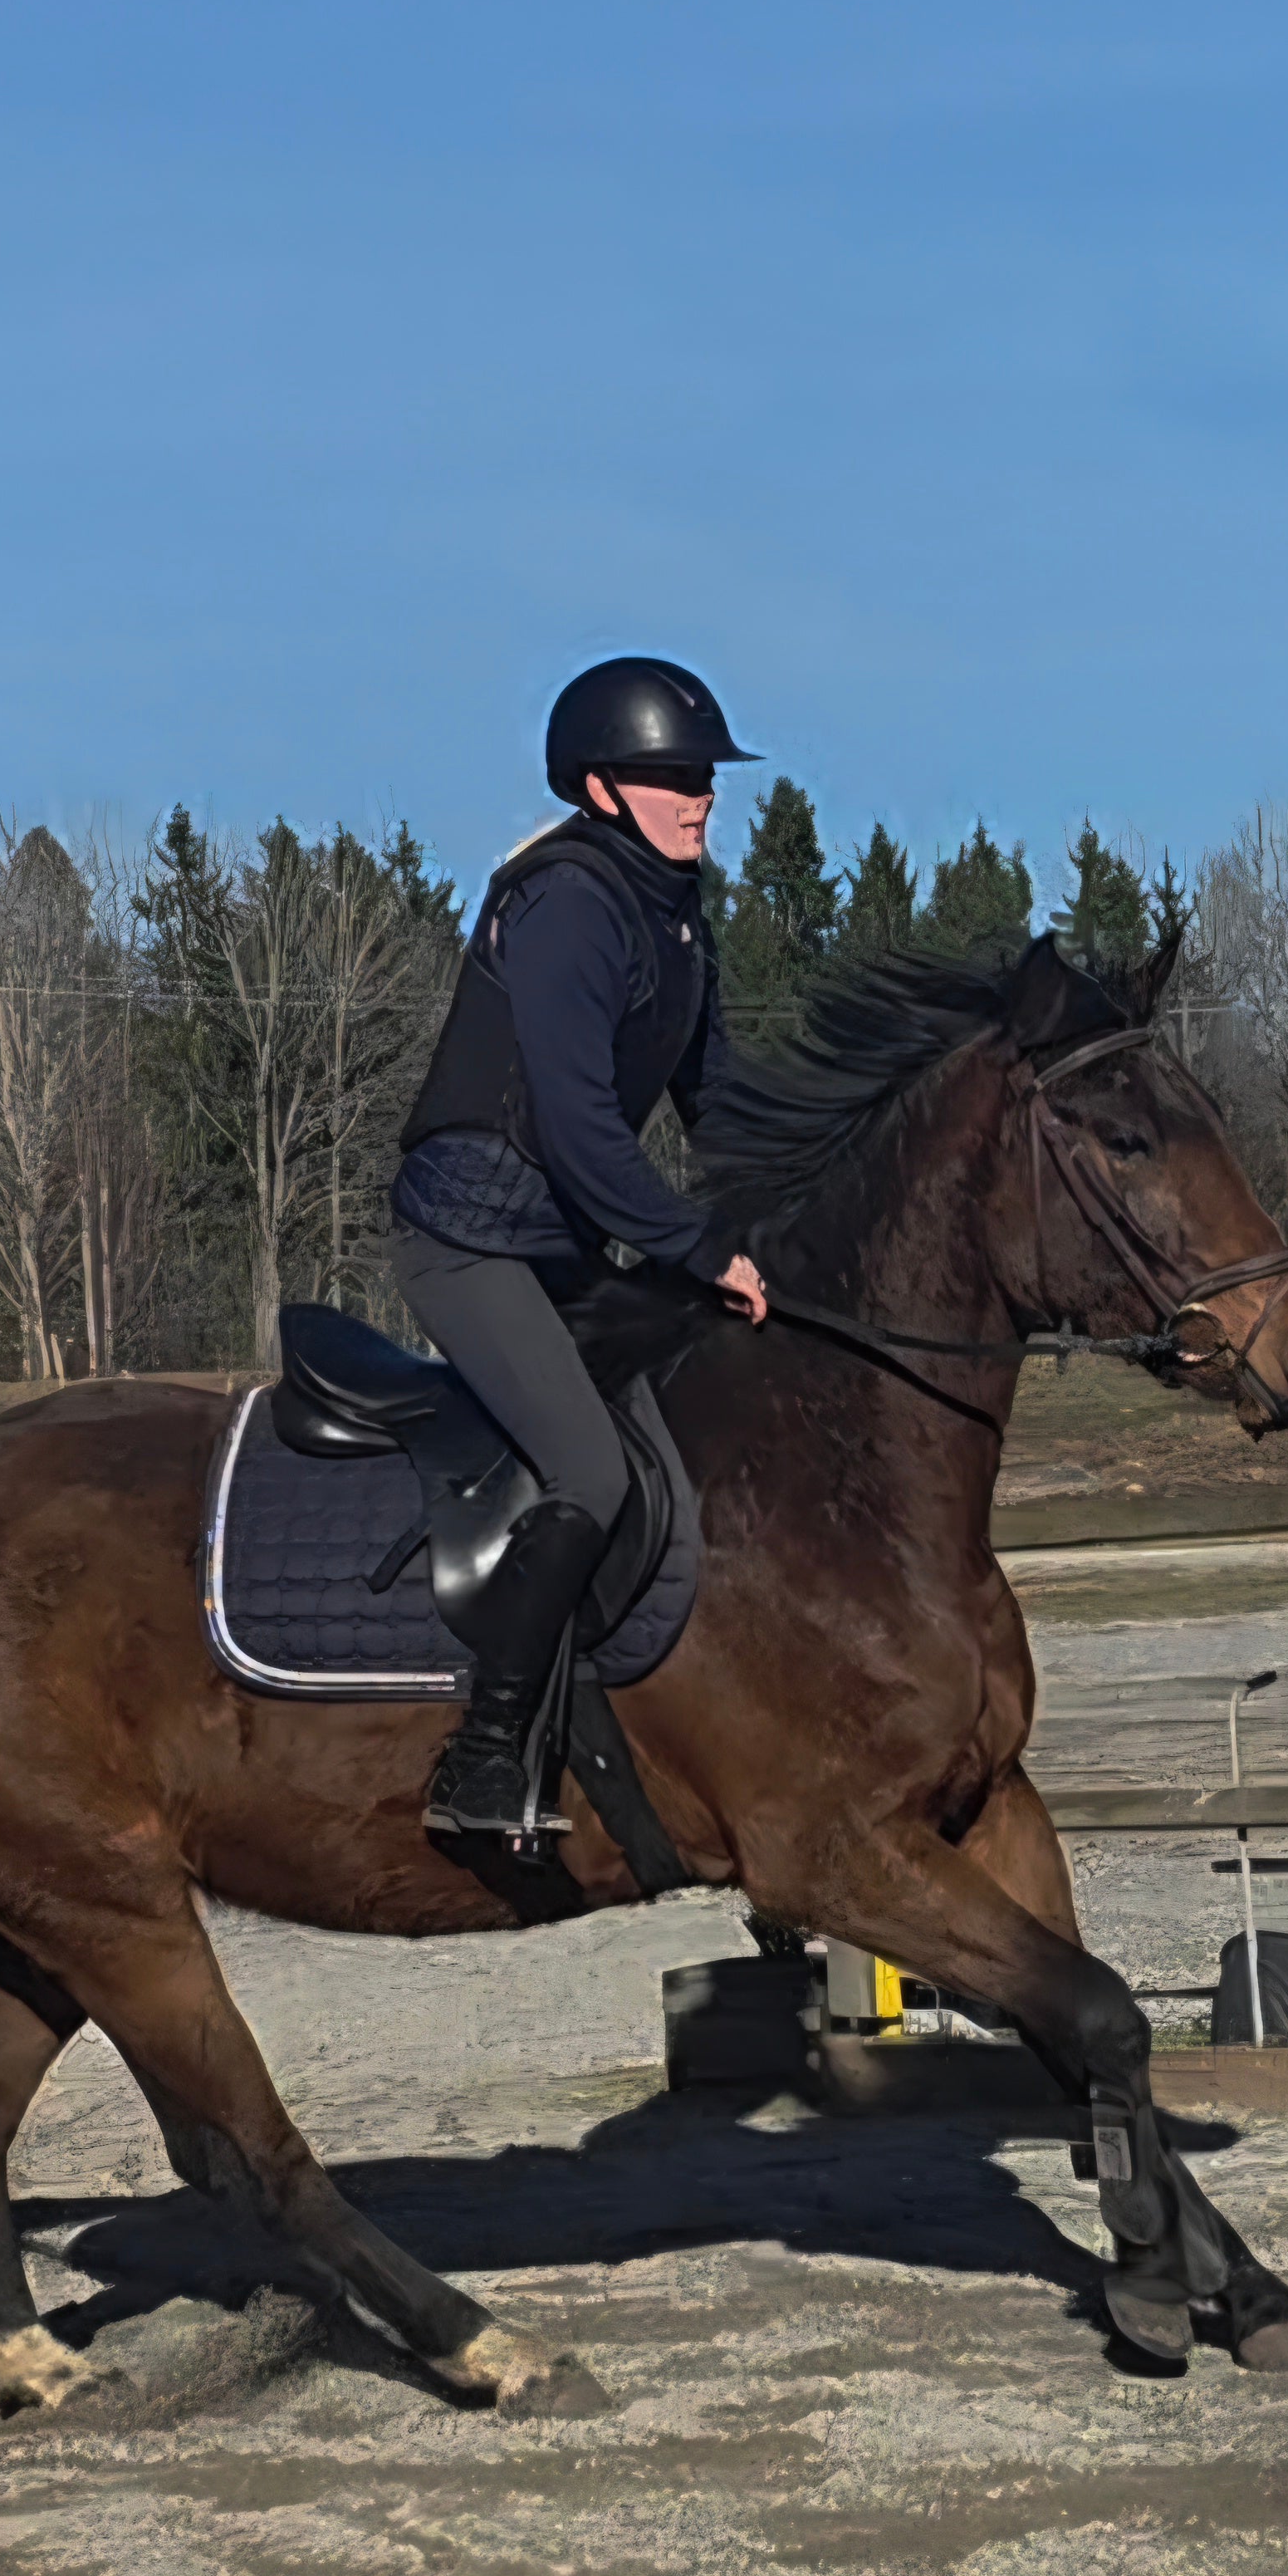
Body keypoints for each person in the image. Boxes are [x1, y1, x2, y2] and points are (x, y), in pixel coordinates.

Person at [389, 654, 771, 1835]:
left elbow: (720, 1098)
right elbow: (579, 1124)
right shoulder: (566, 904)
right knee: (593, 1471)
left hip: (560, 1245)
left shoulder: (675, 915)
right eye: (671, 776)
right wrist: (695, 1248)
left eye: (704, 774)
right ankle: (484, 1761)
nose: (699, 794)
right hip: (469, 1239)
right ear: (601, 788)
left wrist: (800, 1200)